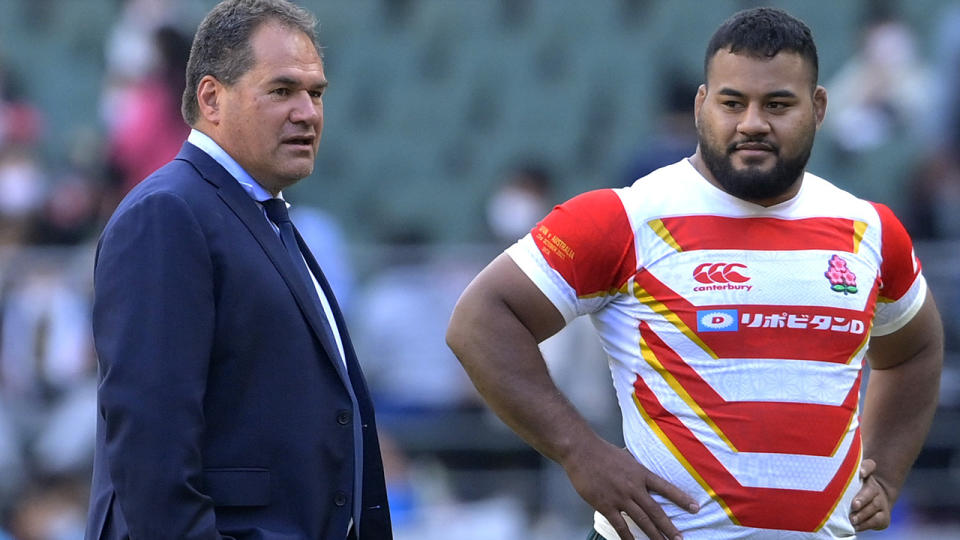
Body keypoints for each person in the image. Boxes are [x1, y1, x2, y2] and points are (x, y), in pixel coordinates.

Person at [446, 7, 943, 540]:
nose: (753, 122)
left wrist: (886, 475)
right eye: (733, 103)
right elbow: (479, 321)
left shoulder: (869, 229)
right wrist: (580, 453)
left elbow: (915, 348)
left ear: (818, 108)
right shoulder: (627, 217)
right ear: (702, 105)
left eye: (778, 104)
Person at [85, 1, 392, 538]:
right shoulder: (169, 214)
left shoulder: (262, 217)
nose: (308, 113)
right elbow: (151, 450)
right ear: (211, 98)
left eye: (316, 93)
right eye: (281, 90)